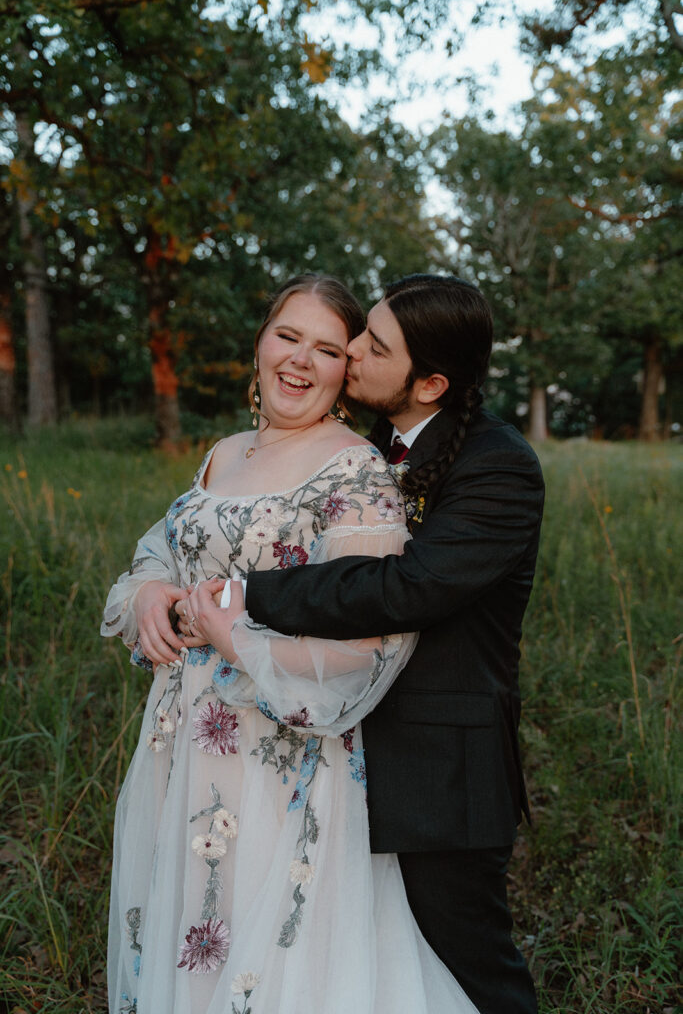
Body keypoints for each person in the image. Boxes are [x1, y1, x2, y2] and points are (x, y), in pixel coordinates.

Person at [101, 273, 481, 1014]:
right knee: (190, 932)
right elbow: (161, 552)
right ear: (260, 341)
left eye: (327, 349)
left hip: (279, 757)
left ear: (348, 371)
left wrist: (236, 640)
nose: (299, 361)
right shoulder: (222, 452)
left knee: (268, 953)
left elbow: (375, 638)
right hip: (179, 745)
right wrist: (147, 593)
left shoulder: (353, 470)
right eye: (287, 335)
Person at [244, 273, 545, 1014]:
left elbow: (406, 587)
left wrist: (251, 592)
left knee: (466, 961)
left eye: (372, 346)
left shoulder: (498, 466)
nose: (349, 350)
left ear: (429, 383)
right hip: (339, 746)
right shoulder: (364, 444)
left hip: (438, 766)